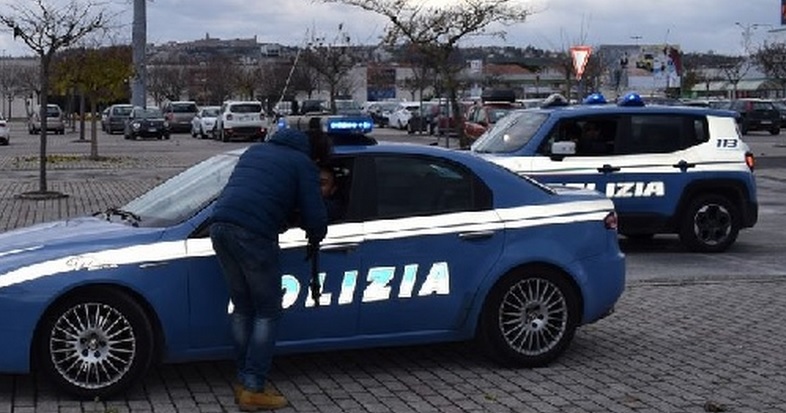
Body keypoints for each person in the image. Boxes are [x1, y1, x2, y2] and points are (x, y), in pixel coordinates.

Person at [209, 127, 330, 411]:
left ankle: (243, 380)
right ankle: (254, 387)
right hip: (253, 234)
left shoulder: (256, 150)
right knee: (268, 311)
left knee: (242, 307)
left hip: (219, 226)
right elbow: (314, 215)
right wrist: (316, 234)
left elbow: (256, 191)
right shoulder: (302, 164)